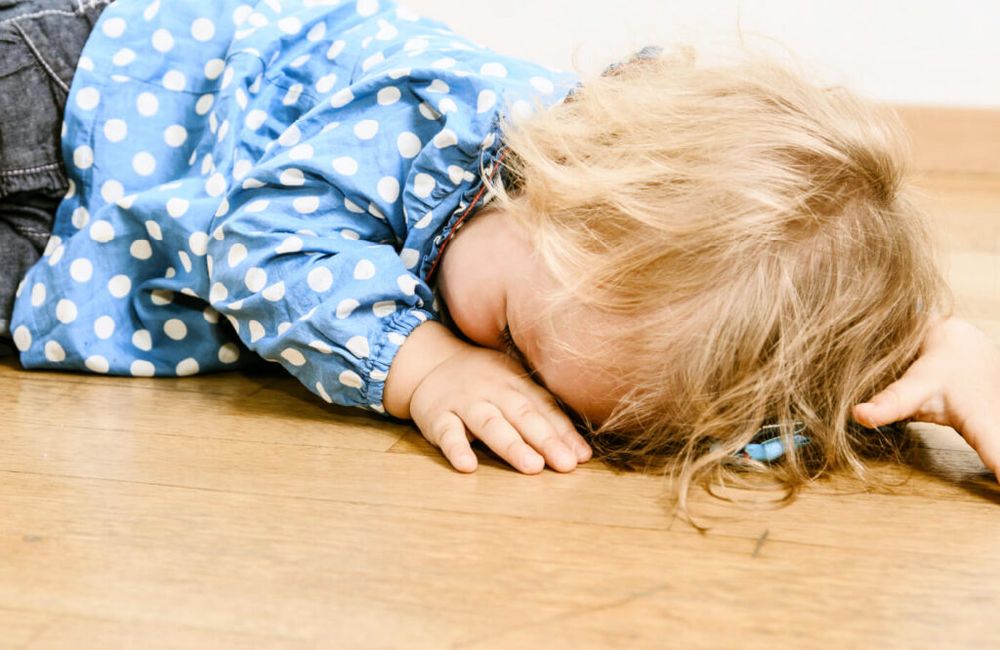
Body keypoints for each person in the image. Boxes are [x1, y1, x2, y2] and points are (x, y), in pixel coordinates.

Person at [2, 0, 997, 506]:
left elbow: (766, 408)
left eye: (560, 397)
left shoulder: (703, 326)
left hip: (91, 270)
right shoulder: (443, 113)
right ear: (545, 178)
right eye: (511, 332)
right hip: (90, 82)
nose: (510, 384)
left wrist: (921, 349)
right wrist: (427, 361)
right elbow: (266, 237)